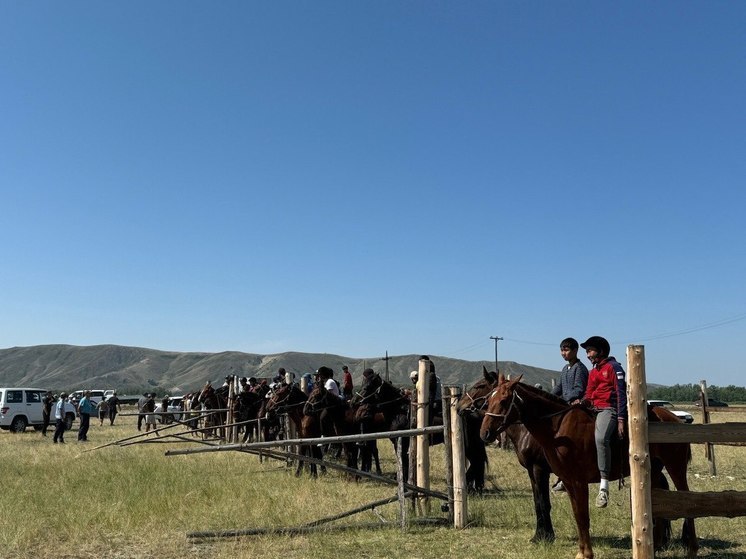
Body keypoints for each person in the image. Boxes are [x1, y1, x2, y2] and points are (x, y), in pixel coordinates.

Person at [576, 336, 627, 509]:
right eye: (587, 352)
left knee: (600, 439)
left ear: (601, 351)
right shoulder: (593, 372)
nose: (588, 355)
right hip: (594, 408)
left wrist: (621, 418)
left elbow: (621, 394)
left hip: (608, 409)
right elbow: (589, 393)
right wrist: (583, 401)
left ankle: (604, 485)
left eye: (590, 351)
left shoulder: (614, 368)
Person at [551, 337, 590, 491]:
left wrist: (564, 400)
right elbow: (559, 387)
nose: (563, 353)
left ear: (575, 351)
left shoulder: (579, 368)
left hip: (576, 407)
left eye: (566, 350)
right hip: (565, 406)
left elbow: (579, 389)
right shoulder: (565, 369)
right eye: (562, 350)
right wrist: (547, 396)